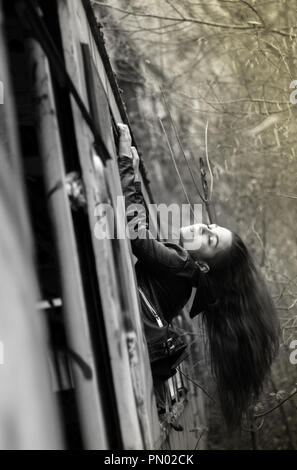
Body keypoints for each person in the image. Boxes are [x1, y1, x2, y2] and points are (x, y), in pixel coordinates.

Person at [117, 123, 280, 428]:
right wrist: (134, 176)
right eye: (209, 226)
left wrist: (125, 161)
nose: (199, 228)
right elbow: (146, 236)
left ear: (205, 266)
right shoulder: (182, 276)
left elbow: (137, 236)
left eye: (208, 237)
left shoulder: (182, 267)